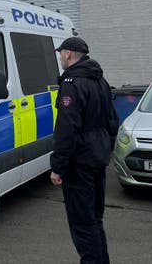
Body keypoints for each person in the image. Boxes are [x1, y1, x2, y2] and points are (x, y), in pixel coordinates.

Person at [50, 37, 118, 264]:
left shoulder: (72, 83)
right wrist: (104, 147)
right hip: (98, 158)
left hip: (79, 164)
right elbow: (112, 122)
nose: (60, 57)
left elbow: (67, 130)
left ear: (68, 54)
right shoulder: (100, 81)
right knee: (95, 220)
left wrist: (57, 167)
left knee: (82, 223)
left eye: (61, 53)